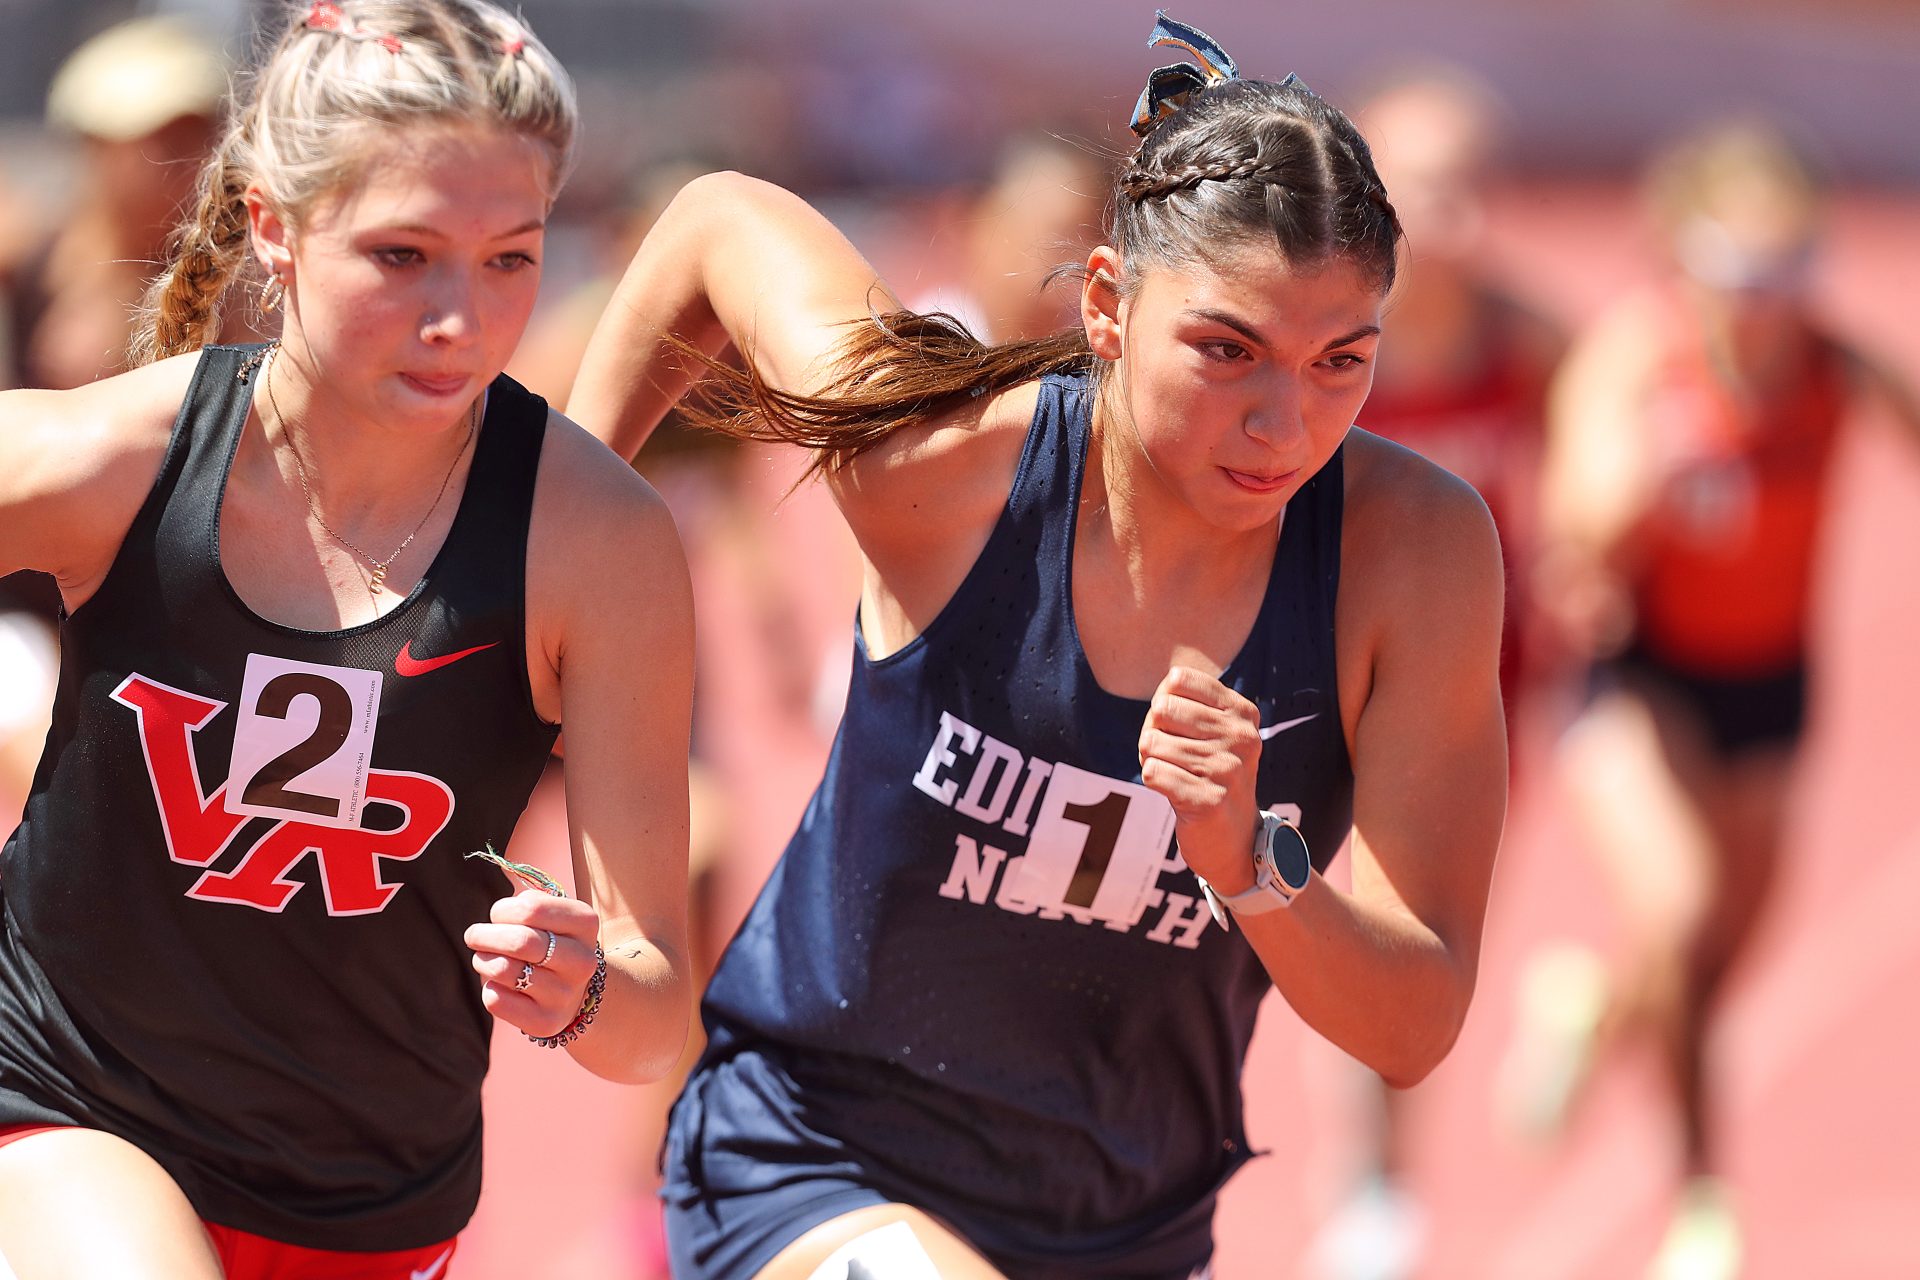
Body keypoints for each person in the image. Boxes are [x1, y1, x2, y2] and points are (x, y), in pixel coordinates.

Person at [569, 14, 1507, 1279]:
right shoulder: (948, 469)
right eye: (1228, 350)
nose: (1285, 422)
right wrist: (542, 551)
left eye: (1343, 360)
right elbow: (719, 221)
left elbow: (1414, 1020)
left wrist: (1251, 861)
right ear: (1111, 304)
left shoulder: (1416, 558)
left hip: (1123, 1229)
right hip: (810, 1158)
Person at [0, 3, 694, 1277]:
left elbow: (654, 1020)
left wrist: (586, 984)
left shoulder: (599, 543)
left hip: (374, 1205)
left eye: (509, 259)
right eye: (403, 254)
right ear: (274, 223)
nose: (461, 321)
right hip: (64, 1105)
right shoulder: (113, 461)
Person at [1505, 116, 1920, 1280]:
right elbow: (1579, 523)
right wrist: (1650, 471)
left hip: (1774, 681)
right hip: (1642, 674)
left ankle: (1591, 1005)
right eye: (1740, 270)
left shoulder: (1833, 367)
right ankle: (1701, 1200)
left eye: (1792, 268)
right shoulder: (1643, 359)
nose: (1767, 299)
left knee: (1726, 953)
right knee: (1685, 915)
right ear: (1684, 256)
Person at [1305, 65, 1562, 1280]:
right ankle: (1363, 1175)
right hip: (1327, 670)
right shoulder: (1333, 346)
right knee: (1323, 918)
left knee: (1421, 934)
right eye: (1426, 185)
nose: (1454, 212)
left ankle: (1381, 1178)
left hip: (1474, 687)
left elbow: (1612, 443)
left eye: (1474, 183)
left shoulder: (1533, 340)